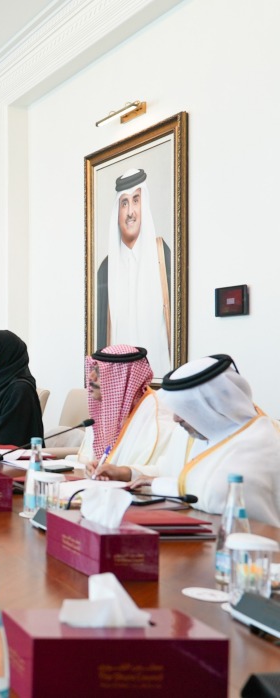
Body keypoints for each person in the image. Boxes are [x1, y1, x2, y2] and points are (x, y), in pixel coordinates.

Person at [98, 355, 280, 526]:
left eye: (184, 410)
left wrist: (160, 484)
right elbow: (168, 470)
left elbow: (219, 496)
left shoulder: (260, 440)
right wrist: (127, 473)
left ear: (209, 406)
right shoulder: (200, 432)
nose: (176, 419)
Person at [95, 168, 173, 375]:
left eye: (136, 200)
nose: (131, 211)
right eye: (124, 203)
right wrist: (96, 393)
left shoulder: (162, 257)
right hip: (116, 389)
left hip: (157, 386)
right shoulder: (105, 270)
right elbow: (99, 342)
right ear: (118, 211)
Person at [77, 345, 174, 473]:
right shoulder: (103, 413)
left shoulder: (159, 420)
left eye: (98, 372)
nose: (90, 378)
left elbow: (166, 471)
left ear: (121, 378)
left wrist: (125, 473)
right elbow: (92, 458)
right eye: (91, 370)